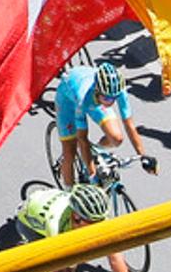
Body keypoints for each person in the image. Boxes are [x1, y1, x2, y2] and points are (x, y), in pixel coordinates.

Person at [9, 178, 137, 272]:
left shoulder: (98, 218)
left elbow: (116, 257)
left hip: (49, 199)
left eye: (99, 223)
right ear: (77, 218)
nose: (98, 228)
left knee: (73, 270)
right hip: (31, 226)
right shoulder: (56, 227)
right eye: (93, 225)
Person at [52, 56, 154, 187]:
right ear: (97, 90)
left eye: (114, 98)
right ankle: (69, 195)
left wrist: (143, 156)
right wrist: (92, 174)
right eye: (107, 98)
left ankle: (96, 152)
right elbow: (82, 139)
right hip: (68, 101)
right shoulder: (82, 98)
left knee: (116, 138)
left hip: (95, 100)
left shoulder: (117, 90)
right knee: (69, 151)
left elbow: (129, 125)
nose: (110, 102)